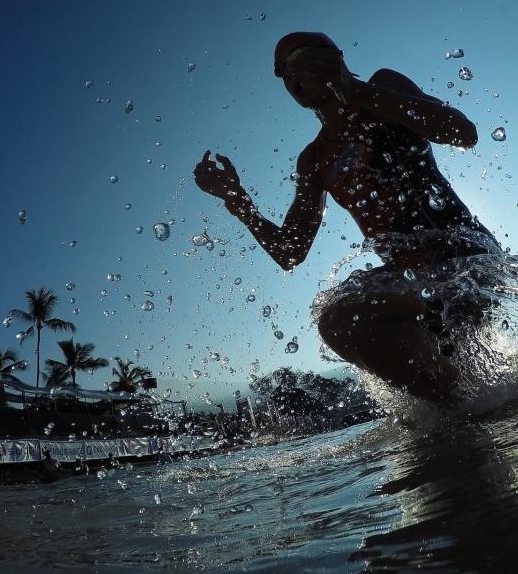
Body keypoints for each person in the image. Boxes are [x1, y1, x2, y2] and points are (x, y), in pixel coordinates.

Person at [194, 32, 499, 400]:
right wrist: (237, 200)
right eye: (281, 70)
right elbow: (291, 251)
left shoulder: (382, 88)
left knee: (346, 318)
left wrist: (351, 91)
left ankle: (460, 409)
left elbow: (462, 132)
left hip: (466, 259)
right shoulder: (315, 158)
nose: (292, 75)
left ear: (336, 57)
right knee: (341, 320)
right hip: (409, 282)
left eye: (301, 58)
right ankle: (457, 410)